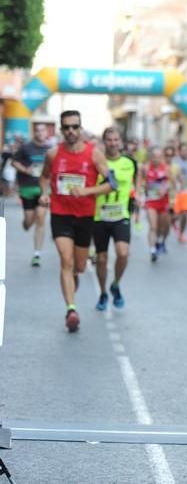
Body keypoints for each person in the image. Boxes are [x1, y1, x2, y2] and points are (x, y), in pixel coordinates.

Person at [39, 110, 115, 331]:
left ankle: (72, 282)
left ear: (80, 128)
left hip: (85, 216)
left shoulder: (94, 154)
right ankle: (71, 309)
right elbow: (44, 177)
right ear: (61, 130)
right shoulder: (53, 154)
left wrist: (86, 191)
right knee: (66, 260)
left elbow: (112, 184)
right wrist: (44, 193)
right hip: (61, 214)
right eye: (66, 127)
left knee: (79, 266)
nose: (71, 131)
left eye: (74, 127)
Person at [93, 127, 136, 310]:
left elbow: (134, 184)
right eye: (109, 140)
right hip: (99, 216)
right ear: (104, 142)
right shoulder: (96, 163)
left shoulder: (129, 162)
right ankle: (103, 293)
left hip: (121, 215)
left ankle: (115, 284)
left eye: (116, 139)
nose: (113, 143)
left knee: (123, 253)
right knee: (101, 259)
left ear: (121, 141)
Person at [12, 123, 51, 266]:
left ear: (47, 132)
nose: (40, 133)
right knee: (29, 221)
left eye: (43, 130)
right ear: (34, 132)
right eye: (37, 130)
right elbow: (14, 162)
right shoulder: (26, 147)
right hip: (27, 187)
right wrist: (25, 169)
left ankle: (37, 254)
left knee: (41, 217)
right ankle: (27, 222)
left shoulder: (51, 149)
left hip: (44, 190)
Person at [139, 147, 173, 262]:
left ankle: (159, 241)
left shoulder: (167, 168)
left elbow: (172, 184)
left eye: (158, 157)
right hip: (151, 202)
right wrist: (141, 194)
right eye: (154, 156)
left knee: (162, 227)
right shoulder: (145, 168)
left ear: (162, 158)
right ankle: (152, 250)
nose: (156, 159)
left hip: (163, 202)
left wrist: (165, 188)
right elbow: (140, 183)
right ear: (150, 157)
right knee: (153, 226)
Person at [173, 143, 187, 243]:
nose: (185, 152)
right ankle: (173, 222)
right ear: (179, 151)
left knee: (185, 214)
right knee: (175, 215)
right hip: (175, 191)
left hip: (186, 191)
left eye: (186, 150)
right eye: (183, 150)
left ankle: (181, 234)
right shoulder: (174, 161)